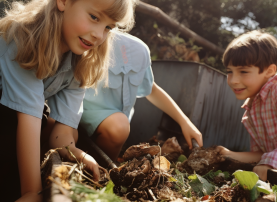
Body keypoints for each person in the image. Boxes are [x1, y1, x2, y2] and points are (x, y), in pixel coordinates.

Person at [0, 0, 135, 201]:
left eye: (108, 27)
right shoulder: (24, 38)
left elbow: (61, 134)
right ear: (63, 2)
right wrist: (31, 191)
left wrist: (77, 153)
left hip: (11, 118)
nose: (99, 34)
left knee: (51, 123)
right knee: (37, 118)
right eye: (94, 17)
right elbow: (28, 117)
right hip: (4, 114)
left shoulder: (79, 60)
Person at [78, 31, 203, 162]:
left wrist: (185, 122)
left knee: (119, 126)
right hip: (76, 116)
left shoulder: (138, 50)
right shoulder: (89, 34)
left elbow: (152, 89)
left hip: (111, 130)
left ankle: (103, 170)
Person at [217, 30, 277, 181]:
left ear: (269, 71)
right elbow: (261, 155)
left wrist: (269, 163)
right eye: (229, 72)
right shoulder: (250, 112)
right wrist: (228, 154)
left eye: (243, 71)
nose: (233, 80)